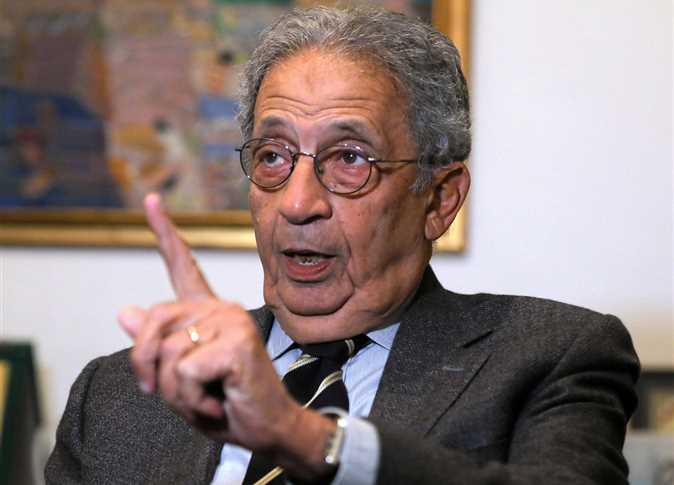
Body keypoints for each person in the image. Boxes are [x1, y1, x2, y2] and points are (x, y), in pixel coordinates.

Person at [45, 6, 639, 485]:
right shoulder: (118, 394)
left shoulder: (550, 355)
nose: (297, 202)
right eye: (273, 156)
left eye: (350, 158)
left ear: (439, 200)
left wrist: (298, 435)